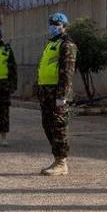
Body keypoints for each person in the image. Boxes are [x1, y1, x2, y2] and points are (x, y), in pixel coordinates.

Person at [35, 13, 77, 176]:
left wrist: (62, 95)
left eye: (56, 24)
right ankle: (57, 158)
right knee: (47, 125)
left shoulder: (67, 45)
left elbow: (67, 72)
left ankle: (62, 162)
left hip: (57, 93)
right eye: (51, 23)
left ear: (64, 26)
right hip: (46, 92)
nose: (53, 26)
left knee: (59, 126)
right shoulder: (51, 43)